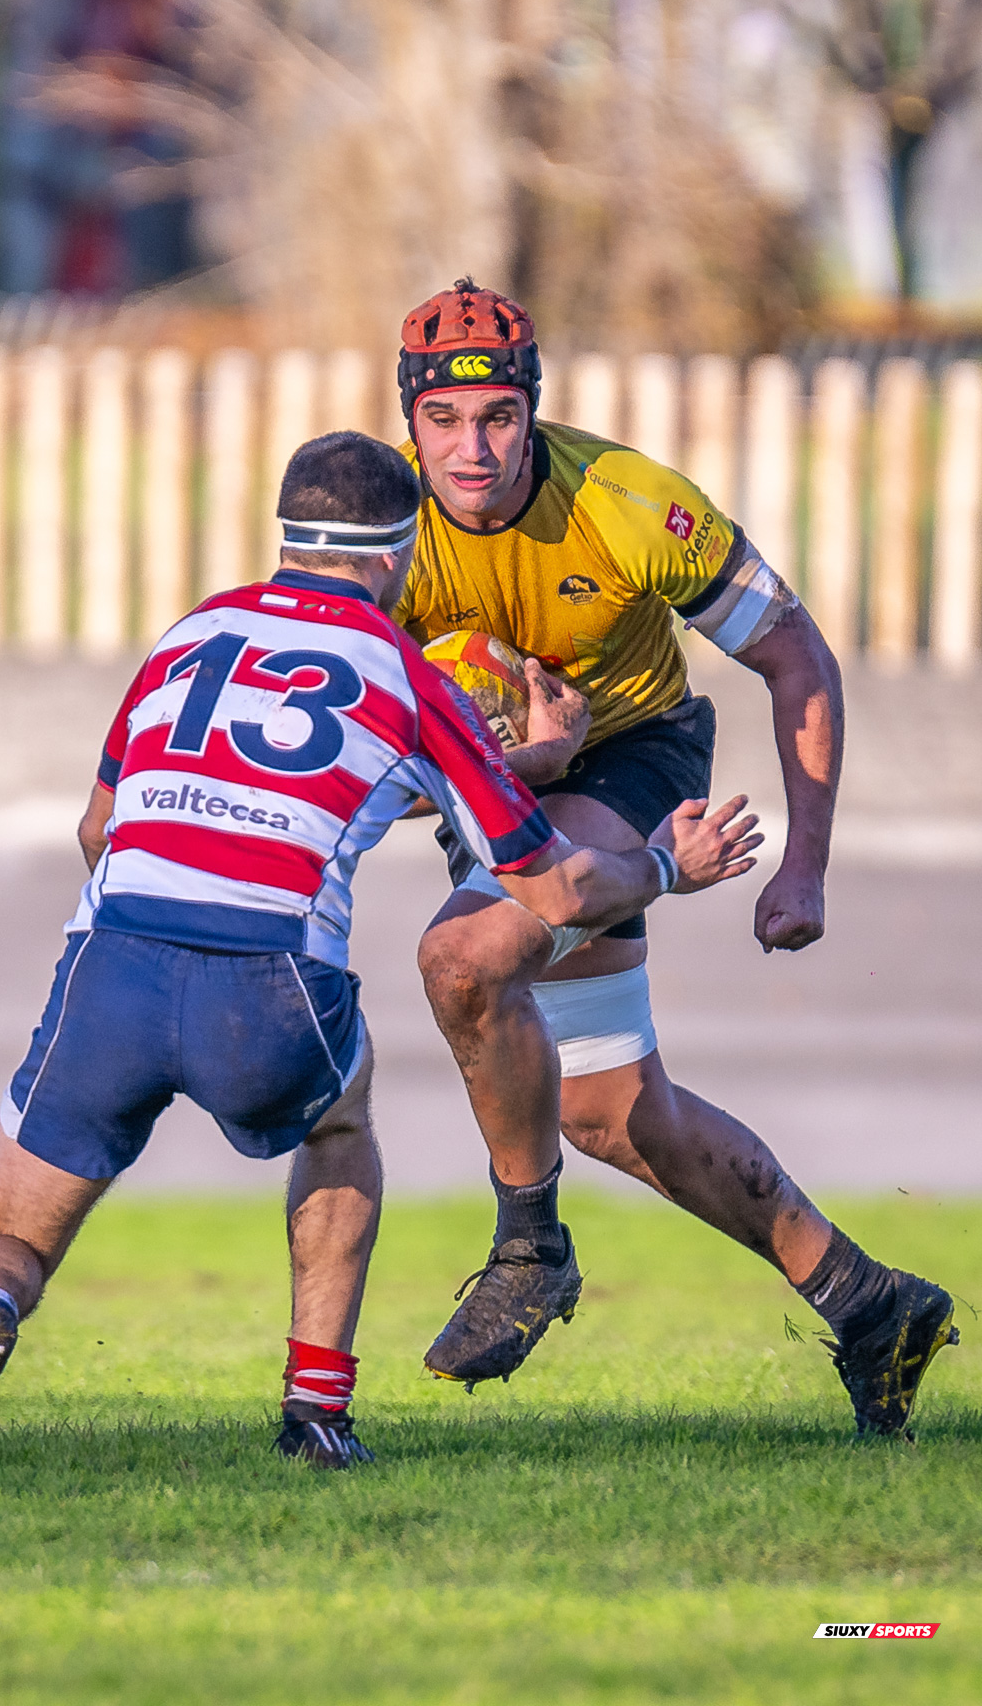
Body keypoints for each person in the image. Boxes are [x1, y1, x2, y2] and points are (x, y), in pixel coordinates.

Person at [0, 430, 758, 1479]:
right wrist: (662, 864)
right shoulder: (406, 674)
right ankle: (315, 1413)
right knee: (339, 1124)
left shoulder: (191, 634)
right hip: (266, 981)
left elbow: (98, 830)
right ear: (399, 551)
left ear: (288, 534)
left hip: (111, 969)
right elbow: (556, 885)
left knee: (6, 1234)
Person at [393, 279, 957, 1437]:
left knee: (462, 957)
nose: (471, 447)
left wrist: (804, 867)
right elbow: (370, 754)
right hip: (513, 781)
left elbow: (796, 659)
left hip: (639, 753)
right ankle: (867, 1302)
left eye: (496, 416)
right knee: (606, 1112)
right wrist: (516, 765)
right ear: (409, 422)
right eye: (443, 422)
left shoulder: (629, 502)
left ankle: (526, 1247)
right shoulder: (388, 542)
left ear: (532, 410)